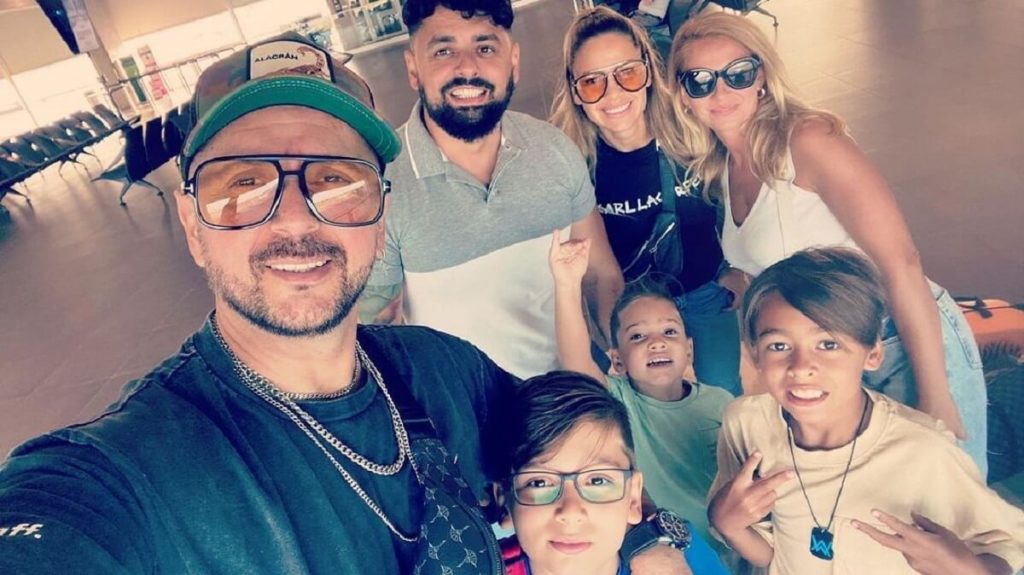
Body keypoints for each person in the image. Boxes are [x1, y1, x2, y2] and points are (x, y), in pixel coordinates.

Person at [0, 33, 692, 575]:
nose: (295, 217)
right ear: (191, 223)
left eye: (336, 180)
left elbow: (583, 437)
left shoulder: (442, 370)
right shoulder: (131, 471)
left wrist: (647, 539)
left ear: (381, 218)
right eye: (242, 183)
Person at [667, 12, 988, 474]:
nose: (721, 92)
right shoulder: (722, 168)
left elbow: (901, 261)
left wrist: (935, 392)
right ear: (682, 95)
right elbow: (777, 259)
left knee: (951, 498)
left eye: (738, 73)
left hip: (897, 337)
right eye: (700, 81)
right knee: (881, 504)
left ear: (762, 76)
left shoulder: (807, 142)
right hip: (829, 361)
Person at [707, 247, 1024, 574]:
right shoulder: (747, 424)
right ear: (755, 355)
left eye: (828, 344)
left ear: (872, 354)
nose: (801, 367)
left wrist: (969, 570)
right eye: (779, 346)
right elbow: (772, 554)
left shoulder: (923, 450)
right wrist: (727, 525)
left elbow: (1009, 543)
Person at [358, 0, 624, 379]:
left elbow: (600, 274)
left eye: (485, 48)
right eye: (444, 51)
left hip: (570, 398)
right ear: (414, 68)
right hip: (464, 410)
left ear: (513, 61)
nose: (467, 68)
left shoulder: (554, 150)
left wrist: (623, 361)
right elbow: (374, 329)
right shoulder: (382, 188)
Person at [550, 6, 740, 395]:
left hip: (704, 295)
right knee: (644, 408)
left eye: (628, 73)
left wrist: (741, 268)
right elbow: (598, 274)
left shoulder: (693, 129)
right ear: (575, 92)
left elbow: (739, 191)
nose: (614, 93)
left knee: (722, 400)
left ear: (649, 72)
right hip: (629, 312)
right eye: (592, 82)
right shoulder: (574, 164)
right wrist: (619, 339)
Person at [549, 229, 732, 556]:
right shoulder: (618, 402)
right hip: (662, 552)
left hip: (730, 549)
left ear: (689, 350)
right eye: (637, 336)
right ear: (617, 360)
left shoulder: (721, 404)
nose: (657, 342)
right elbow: (576, 361)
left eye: (669, 331)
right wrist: (567, 285)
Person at [496, 371, 726, 575]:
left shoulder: (686, 556)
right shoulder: (481, 565)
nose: (571, 512)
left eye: (597, 480)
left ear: (634, 498)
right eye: (539, 483)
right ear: (503, 498)